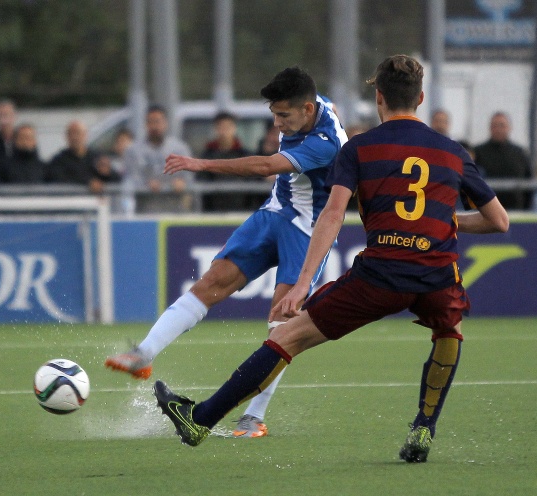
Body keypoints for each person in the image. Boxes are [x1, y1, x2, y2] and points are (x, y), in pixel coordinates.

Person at [149, 55, 509, 464]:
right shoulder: (452, 151)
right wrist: (444, 220)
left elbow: (333, 214)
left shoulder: (358, 149)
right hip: (437, 272)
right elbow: (498, 221)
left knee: (285, 337)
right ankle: (424, 427)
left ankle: (201, 419)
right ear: (421, 97)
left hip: (382, 273)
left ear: (378, 98)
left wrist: (302, 285)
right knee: (449, 332)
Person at [106, 66, 347, 438]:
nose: (278, 124)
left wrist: (200, 164)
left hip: (307, 231)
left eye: (284, 116)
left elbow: (266, 166)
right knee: (212, 282)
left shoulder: (326, 143)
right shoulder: (316, 104)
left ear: (307, 111)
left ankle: (254, 416)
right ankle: (144, 354)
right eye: (274, 115)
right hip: (274, 213)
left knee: (280, 324)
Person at [123, 105, 193, 212]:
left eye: (158, 122)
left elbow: (189, 177)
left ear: (166, 123)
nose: (154, 126)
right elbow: (130, 179)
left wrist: (182, 183)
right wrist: (146, 185)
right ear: (145, 124)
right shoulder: (133, 150)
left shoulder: (180, 149)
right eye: (150, 122)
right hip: (146, 211)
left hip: (174, 212)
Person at [197, 111, 262, 211]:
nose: (224, 132)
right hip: (213, 211)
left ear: (234, 128)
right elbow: (202, 181)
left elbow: (253, 182)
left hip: (242, 209)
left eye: (227, 127)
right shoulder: (207, 156)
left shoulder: (245, 155)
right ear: (215, 129)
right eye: (220, 127)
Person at [473, 111, 532, 210]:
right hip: (487, 212)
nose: (498, 129)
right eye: (495, 125)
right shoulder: (478, 152)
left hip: (516, 211)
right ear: (490, 128)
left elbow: (529, 182)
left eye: (502, 125)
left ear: (509, 128)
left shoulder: (519, 153)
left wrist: (526, 209)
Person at [46, 120, 109, 193]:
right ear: (67, 136)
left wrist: (107, 173)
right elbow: (60, 179)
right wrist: (88, 182)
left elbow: (115, 179)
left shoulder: (97, 157)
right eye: (72, 133)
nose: (75, 137)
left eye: (78, 133)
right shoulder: (58, 161)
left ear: (85, 135)